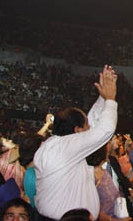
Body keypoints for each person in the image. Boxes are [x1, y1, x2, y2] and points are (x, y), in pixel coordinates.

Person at [34, 65, 118, 220]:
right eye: (86, 127)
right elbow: (104, 130)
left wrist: (103, 98)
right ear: (77, 130)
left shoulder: (58, 144)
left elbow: (92, 119)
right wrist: (111, 99)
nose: (89, 128)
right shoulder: (64, 148)